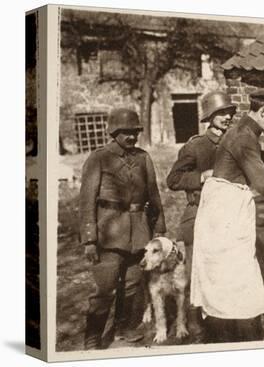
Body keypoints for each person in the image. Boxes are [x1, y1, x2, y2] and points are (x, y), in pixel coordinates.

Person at [190, 90, 264, 343]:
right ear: (262, 111)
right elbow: (262, 184)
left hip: (222, 209)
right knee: (238, 280)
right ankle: (243, 342)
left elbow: (254, 161)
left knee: (225, 281)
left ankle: (231, 336)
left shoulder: (244, 129)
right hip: (225, 214)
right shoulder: (244, 136)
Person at [79, 108, 166, 349]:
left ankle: (123, 327)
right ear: (114, 132)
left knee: (131, 285)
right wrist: (89, 239)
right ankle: (93, 335)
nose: (132, 137)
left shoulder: (143, 157)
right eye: (126, 132)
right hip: (109, 231)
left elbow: (153, 193)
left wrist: (158, 227)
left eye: (135, 132)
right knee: (104, 288)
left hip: (139, 232)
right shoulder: (99, 158)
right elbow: (87, 200)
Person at [166, 91, 237, 335]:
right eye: (221, 113)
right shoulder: (196, 146)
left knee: (224, 271)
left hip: (227, 217)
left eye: (229, 112)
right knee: (196, 272)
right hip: (198, 214)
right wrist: (200, 177)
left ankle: (224, 321)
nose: (227, 117)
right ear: (210, 116)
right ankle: (196, 327)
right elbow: (173, 180)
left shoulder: (235, 141)